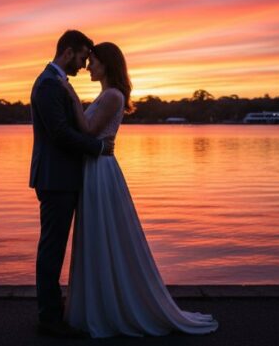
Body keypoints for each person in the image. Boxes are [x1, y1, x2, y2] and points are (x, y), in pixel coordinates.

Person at [59, 42, 219, 338]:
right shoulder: (107, 95)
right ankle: (100, 303)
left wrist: (70, 98)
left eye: (93, 61)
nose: (88, 66)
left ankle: (111, 307)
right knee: (98, 234)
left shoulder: (111, 96)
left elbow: (90, 131)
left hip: (101, 171)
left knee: (104, 233)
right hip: (96, 167)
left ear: (106, 64)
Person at [29, 30, 115, 338]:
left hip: (62, 177)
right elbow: (60, 134)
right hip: (56, 179)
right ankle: (49, 320)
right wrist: (98, 148)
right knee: (52, 248)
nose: (82, 65)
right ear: (67, 53)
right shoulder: (48, 86)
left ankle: (54, 309)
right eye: (81, 58)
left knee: (55, 247)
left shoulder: (55, 84)